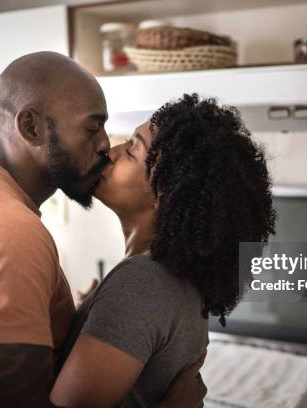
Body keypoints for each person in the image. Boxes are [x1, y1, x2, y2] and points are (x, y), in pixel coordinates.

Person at [0, 52, 206, 408]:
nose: (107, 145)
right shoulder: (8, 231)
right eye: (92, 128)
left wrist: (76, 324)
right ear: (31, 127)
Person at [50, 94, 276, 407]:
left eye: (131, 149)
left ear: (165, 194)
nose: (110, 152)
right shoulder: (169, 280)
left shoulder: (142, 282)